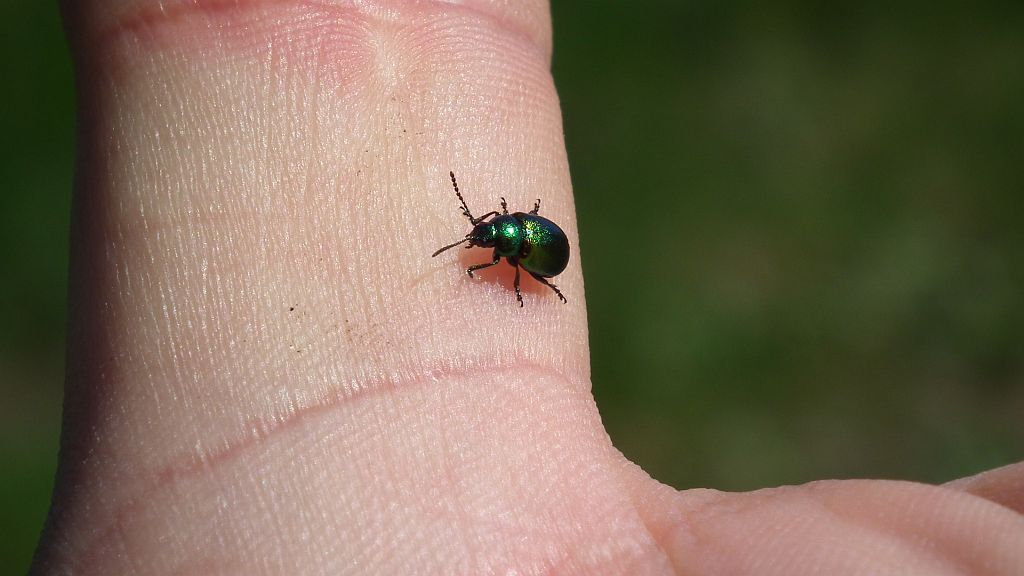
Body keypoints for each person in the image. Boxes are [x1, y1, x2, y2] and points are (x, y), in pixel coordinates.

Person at [33, 1, 1024, 573]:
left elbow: (522, 250)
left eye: (483, 235)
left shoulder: (513, 249)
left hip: (534, 247)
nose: (479, 241)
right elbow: (515, 241)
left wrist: (513, 262)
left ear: (497, 238)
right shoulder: (506, 241)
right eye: (482, 237)